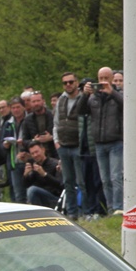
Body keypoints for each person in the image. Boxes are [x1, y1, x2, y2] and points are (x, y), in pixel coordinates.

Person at [85, 67, 124, 214]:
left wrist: (112, 92)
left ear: (111, 79)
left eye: (106, 78)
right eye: (100, 78)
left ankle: (118, 207)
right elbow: (80, 111)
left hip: (115, 141)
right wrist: (84, 95)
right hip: (99, 142)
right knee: (105, 179)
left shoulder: (118, 94)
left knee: (116, 177)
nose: (103, 81)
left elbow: (127, 106)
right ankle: (110, 208)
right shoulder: (93, 97)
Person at [53, 72, 88, 219]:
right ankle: (72, 212)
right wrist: (56, 141)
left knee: (82, 181)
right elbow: (56, 123)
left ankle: (85, 211)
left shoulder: (83, 98)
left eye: (71, 82)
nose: (68, 85)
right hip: (63, 145)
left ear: (76, 82)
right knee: (68, 182)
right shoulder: (61, 100)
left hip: (78, 146)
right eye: (65, 82)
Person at [1, 97, 28, 203]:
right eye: (13, 108)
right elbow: (1, 142)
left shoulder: (29, 120)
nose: (16, 110)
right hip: (13, 161)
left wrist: (25, 142)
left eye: (18, 107)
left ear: (23, 107)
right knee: (18, 193)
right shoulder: (8, 123)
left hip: (28, 160)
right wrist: (5, 145)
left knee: (29, 191)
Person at [23, 140, 63, 208]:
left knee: (32, 190)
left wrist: (44, 174)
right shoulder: (34, 166)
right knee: (31, 190)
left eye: (36, 152)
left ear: (43, 150)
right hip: (39, 197)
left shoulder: (55, 164)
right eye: (32, 153)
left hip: (54, 197)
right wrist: (25, 175)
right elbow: (26, 185)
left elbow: (60, 185)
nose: (35, 155)